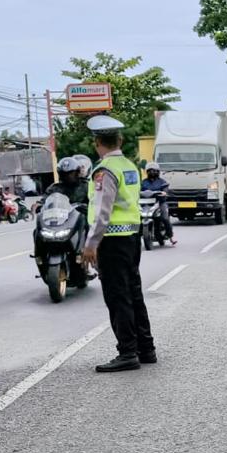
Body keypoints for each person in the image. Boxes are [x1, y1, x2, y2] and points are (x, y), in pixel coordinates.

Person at [80, 116, 156, 373]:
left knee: (117, 296)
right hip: (132, 238)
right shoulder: (130, 166)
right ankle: (146, 348)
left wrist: (91, 243)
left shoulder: (104, 170)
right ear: (120, 140)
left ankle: (127, 352)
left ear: (96, 142)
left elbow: (102, 210)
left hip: (111, 241)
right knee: (133, 292)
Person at [139, 161, 177, 245]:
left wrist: (164, 193)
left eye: (154, 170)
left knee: (165, 218)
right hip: (145, 204)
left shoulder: (162, 182)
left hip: (160, 203)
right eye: (150, 170)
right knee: (137, 218)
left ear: (158, 171)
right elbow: (138, 190)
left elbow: (165, 190)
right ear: (147, 172)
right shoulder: (143, 182)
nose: (152, 172)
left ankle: (171, 237)